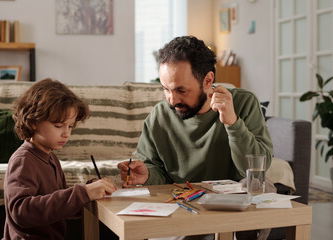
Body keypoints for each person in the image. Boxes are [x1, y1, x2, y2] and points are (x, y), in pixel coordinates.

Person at [117, 36, 274, 240]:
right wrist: (145, 175)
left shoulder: (243, 103)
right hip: (186, 203)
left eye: (181, 90)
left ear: (207, 80)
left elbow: (258, 168)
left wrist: (232, 123)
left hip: (233, 205)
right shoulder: (159, 116)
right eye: (166, 89)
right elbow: (157, 172)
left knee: (263, 187)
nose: (172, 100)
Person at [3, 79, 117, 240]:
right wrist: (81, 193)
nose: (66, 133)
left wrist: (89, 192)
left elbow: (61, 206)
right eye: (58, 125)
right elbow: (21, 212)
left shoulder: (51, 158)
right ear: (33, 122)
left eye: (70, 126)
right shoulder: (23, 160)